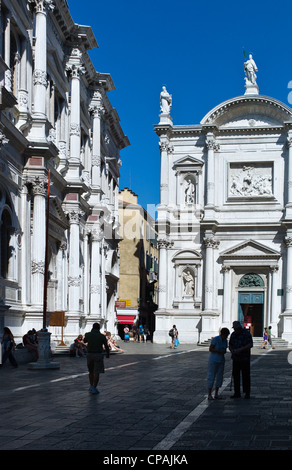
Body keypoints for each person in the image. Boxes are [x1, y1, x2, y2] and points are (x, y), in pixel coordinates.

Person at [229, 321, 253, 399]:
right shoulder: (233, 334)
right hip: (236, 358)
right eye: (234, 329)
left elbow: (250, 344)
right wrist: (232, 350)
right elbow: (230, 345)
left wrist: (241, 349)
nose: (235, 330)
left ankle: (247, 393)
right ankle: (237, 392)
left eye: (236, 328)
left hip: (244, 358)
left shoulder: (246, 333)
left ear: (239, 327)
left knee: (245, 375)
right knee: (235, 375)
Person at [83, 323, 110, 394]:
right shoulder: (101, 336)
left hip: (89, 354)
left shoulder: (88, 334)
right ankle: (94, 387)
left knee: (91, 371)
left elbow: (85, 341)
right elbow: (106, 346)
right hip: (98, 354)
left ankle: (91, 385)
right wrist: (107, 354)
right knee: (97, 372)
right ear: (99, 328)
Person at [207, 328, 230, 399]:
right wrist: (218, 351)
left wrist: (222, 351)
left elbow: (225, 350)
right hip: (213, 360)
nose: (226, 337)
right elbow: (210, 349)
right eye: (225, 335)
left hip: (221, 360)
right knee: (211, 376)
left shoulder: (225, 341)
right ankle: (209, 394)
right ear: (222, 334)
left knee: (220, 377)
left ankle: (216, 393)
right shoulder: (215, 339)